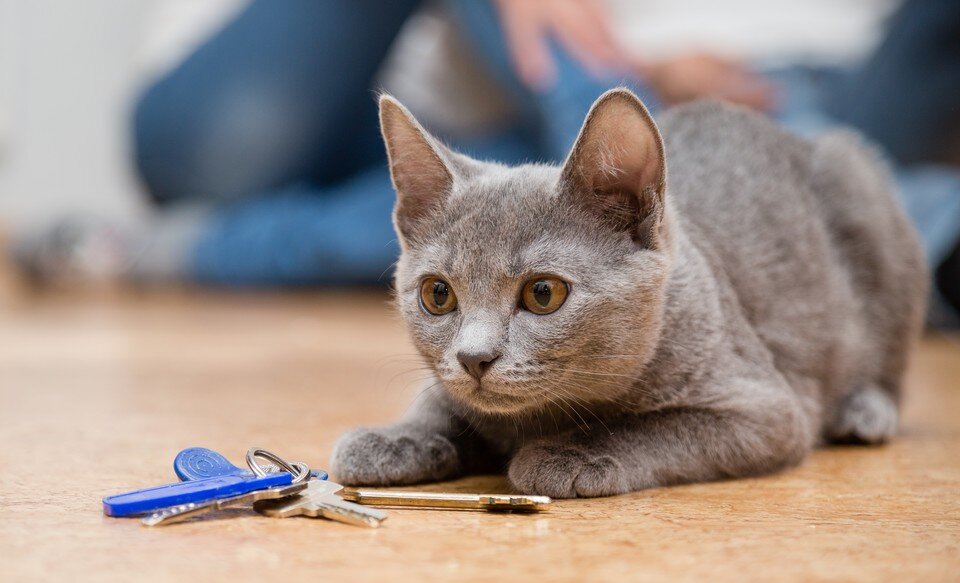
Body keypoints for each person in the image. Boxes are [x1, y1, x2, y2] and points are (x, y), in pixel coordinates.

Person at [11, 0, 960, 319]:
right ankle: (906, 229)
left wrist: (652, 70)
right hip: (253, 111)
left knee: (509, 231)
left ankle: (166, 252)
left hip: (507, 142)